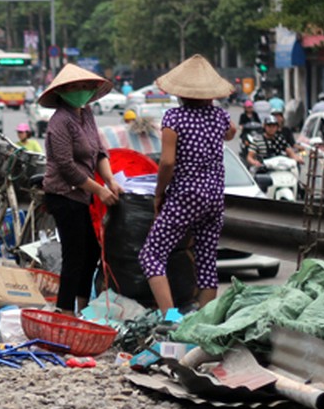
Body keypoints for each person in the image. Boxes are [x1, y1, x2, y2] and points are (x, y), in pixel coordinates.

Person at [142, 54, 237, 314]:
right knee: (207, 262)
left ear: (179, 93)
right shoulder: (219, 117)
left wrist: (159, 193)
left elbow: (167, 163)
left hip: (185, 196)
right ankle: (203, 324)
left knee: (151, 255)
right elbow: (232, 132)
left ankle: (170, 318)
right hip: (214, 199)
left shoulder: (174, 119)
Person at [39, 63, 123, 315]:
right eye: (75, 87)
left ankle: (83, 307)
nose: (81, 90)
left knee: (92, 251)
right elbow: (66, 166)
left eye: (85, 86)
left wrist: (110, 180)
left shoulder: (85, 114)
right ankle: (64, 311)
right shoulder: (59, 122)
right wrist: (99, 190)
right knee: (74, 255)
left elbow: (99, 151)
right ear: (63, 92)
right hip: (63, 195)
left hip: (83, 194)